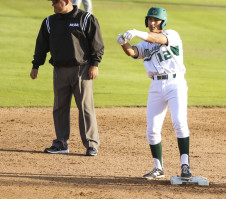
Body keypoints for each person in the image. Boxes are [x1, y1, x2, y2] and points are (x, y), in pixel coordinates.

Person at [117, 7, 192, 180]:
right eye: (150, 19)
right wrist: (122, 42)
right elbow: (133, 52)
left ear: (163, 22)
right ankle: (158, 168)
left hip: (175, 83)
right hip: (156, 86)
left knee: (179, 122)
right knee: (152, 129)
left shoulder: (172, 35)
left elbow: (158, 39)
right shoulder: (145, 44)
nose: (152, 23)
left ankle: (185, 165)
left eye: (156, 20)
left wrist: (137, 32)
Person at [30, 0, 104, 156]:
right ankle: (61, 143)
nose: (53, 5)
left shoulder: (85, 18)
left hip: (82, 70)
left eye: (55, 2)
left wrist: (95, 65)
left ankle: (91, 143)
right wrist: (36, 65)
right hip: (59, 70)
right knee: (59, 107)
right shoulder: (49, 22)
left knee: (85, 108)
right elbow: (41, 45)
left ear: (66, 2)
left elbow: (97, 44)